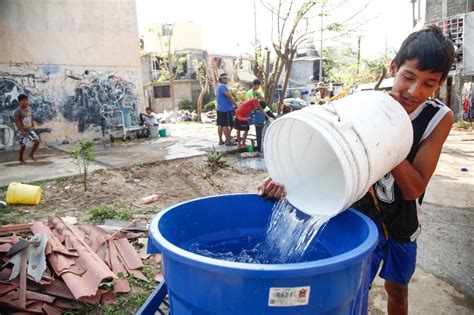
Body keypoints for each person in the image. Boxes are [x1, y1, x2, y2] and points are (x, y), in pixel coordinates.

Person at [257, 25, 454, 315]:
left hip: (403, 220)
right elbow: (320, 151)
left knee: (397, 289)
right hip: (361, 215)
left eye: (429, 83)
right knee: (354, 289)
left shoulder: (438, 118)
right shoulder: (365, 105)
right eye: (408, 77)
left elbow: (414, 188)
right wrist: (286, 176)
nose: (415, 91)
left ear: (439, 83)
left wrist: (387, 137)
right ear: (394, 68)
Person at [14, 94, 40, 164]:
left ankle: (31, 154)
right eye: (23, 100)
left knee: (37, 141)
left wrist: (32, 126)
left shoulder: (29, 108)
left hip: (30, 129)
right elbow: (17, 121)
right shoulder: (18, 111)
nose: (25, 102)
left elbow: (30, 117)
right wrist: (22, 131)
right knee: (23, 145)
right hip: (22, 130)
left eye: (26, 100)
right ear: (20, 102)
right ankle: (20, 158)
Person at [216, 73, 239, 146]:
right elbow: (229, 96)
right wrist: (236, 105)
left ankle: (221, 140)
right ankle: (228, 141)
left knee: (220, 124)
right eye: (224, 78)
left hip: (220, 108)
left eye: (227, 78)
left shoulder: (219, 86)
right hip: (225, 108)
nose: (226, 79)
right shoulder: (222, 87)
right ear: (221, 79)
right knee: (225, 125)